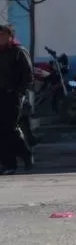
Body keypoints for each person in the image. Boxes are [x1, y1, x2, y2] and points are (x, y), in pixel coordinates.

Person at [0, 24, 32, 174]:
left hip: (13, 96)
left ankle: (11, 164)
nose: (1, 38)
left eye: (3, 34)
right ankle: (22, 155)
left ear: (10, 36)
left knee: (8, 128)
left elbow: (27, 75)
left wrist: (19, 93)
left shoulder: (18, 51)